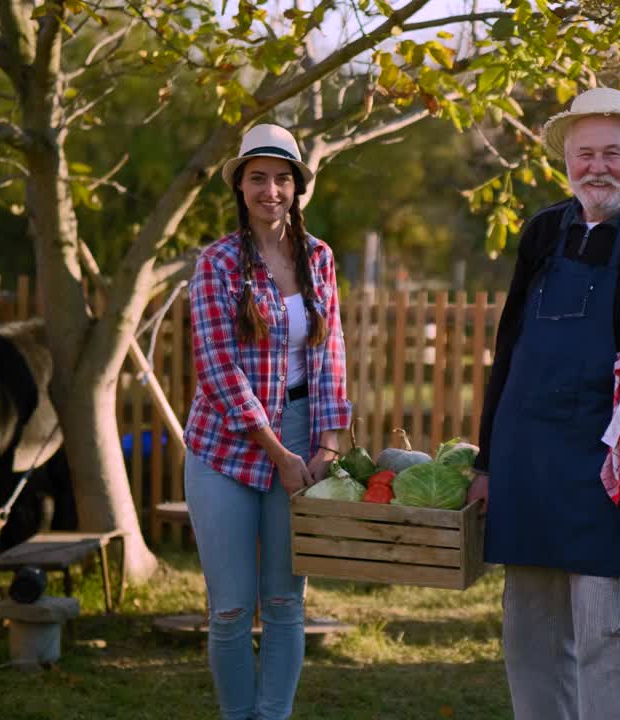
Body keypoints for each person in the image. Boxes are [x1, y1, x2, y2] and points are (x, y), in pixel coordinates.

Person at [468, 88, 620, 720]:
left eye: (612, 153)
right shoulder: (543, 231)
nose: (597, 167)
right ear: (567, 161)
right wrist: (487, 462)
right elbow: (510, 347)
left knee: (609, 632)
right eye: (585, 154)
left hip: (608, 472)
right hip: (528, 464)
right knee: (532, 635)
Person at [183, 123, 351, 720]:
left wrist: (325, 447)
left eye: (282, 178)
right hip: (226, 446)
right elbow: (217, 367)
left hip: (305, 437)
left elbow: (328, 354)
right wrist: (278, 454)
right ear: (241, 187)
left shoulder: (320, 259)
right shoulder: (218, 262)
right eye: (258, 178)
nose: (271, 190)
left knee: (285, 602)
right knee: (230, 609)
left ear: (297, 187)